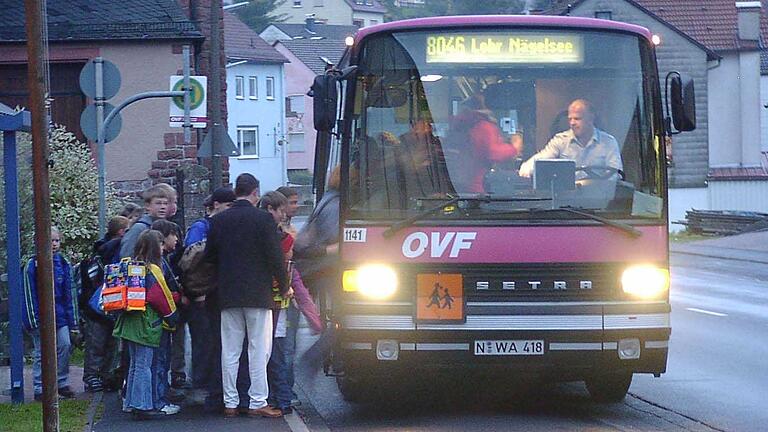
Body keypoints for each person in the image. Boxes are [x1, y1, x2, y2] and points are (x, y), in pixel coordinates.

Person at [204, 173, 291, 418]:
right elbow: (276, 258)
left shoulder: (220, 221)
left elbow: (209, 255)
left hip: (228, 292)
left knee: (230, 350)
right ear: (255, 193)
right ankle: (257, 401)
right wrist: (284, 285)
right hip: (258, 292)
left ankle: (230, 402)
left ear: (236, 191)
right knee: (259, 348)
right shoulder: (263, 220)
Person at [113, 230, 179, 418]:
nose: (162, 247)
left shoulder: (128, 264)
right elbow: (161, 297)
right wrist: (173, 316)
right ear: (154, 247)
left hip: (128, 321)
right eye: (160, 244)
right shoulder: (153, 269)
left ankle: (130, 402)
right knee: (144, 365)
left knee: (134, 364)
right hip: (146, 322)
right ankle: (142, 406)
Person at [182, 187, 235, 398]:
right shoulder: (201, 227)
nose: (231, 210)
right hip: (201, 294)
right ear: (216, 205)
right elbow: (192, 261)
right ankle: (200, 385)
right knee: (204, 341)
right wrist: (197, 291)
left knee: (216, 341)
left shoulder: (220, 225)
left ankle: (212, 385)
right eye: (229, 205)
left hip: (217, 293)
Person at [274, 186, 323, 408]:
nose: (295, 207)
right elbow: (291, 272)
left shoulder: (292, 229)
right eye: (292, 203)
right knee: (284, 348)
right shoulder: (281, 234)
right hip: (283, 298)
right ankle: (283, 392)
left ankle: (285, 390)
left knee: (286, 347)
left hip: (290, 296)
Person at [22, 226, 79, 401]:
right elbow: (29, 294)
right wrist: (33, 320)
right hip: (40, 318)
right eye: (50, 240)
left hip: (60, 316)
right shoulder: (32, 265)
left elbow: (70, 293)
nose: (54, 244)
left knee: (64, 345)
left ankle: (60, 382)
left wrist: (73, 321)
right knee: (42, 351)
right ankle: (40, 387)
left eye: (56, 240)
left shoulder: (63, 263)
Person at [81, 215, 130, 393]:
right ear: (121, 232)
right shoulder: (114, 248)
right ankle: (96, 375)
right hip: (101, 301)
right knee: (102, 341)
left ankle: (98, 376)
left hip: (100, 300)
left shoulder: (103, 248)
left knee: (104, 342)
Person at [519, 99, 622, 179]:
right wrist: (526, 168)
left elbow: (615, 174)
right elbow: (542, 158)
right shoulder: (560, 140)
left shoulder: (609, 142)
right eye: (570, 119)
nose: (572, 123)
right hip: (567, 201)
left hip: (598, 199)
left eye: (577, 118)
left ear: (590, 119)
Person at [446, 93, 519, 193]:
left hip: (457, 181)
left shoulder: (462, 125)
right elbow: (493, 152)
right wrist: (514, 148)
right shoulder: (483, 126)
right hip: (477, 185)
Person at [150, 219, 184, 408]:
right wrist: (177, 297)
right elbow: (160, 293)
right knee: (160, 360)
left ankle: (157, 397)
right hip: (161, 320)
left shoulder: (163, 260)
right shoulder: (158, 264)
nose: (177, 239)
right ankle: (159, 400)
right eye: (174, 235)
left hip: (158, 320)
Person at [119, 183, 174, 259]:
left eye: (165, 203)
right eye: (158, 203)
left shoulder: (164, 227)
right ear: (147, 206)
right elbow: (127, 255)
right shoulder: (139, 228)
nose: (163, 207)